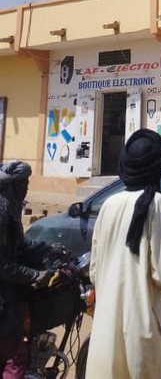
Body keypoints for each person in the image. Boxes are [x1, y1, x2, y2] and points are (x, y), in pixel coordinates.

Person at [85, 130, 161, 379]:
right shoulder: (156, 204)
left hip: (106, 326)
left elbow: (94, 270)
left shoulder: (108, 205)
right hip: (142, 326)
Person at [0, 160, 53, 379]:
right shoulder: (2, 212)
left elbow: (19, 245)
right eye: (24, 183)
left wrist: (48, 248)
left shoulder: (9, 209)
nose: (27, 187)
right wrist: (34, 275)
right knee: (16, 352)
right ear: (13, 185)